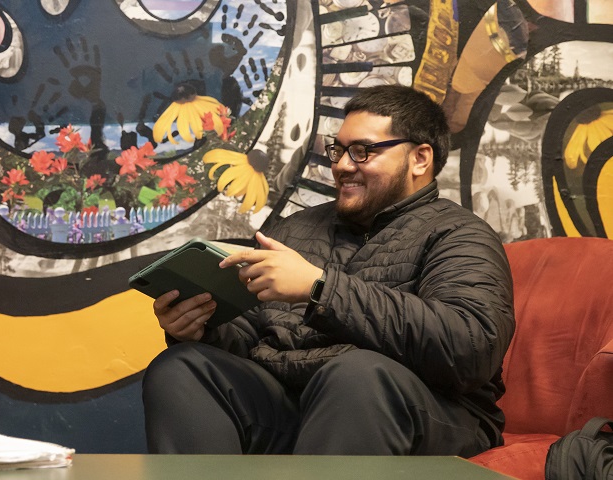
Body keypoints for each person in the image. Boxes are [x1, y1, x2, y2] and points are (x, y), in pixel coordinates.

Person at [142, 85, 515, 456]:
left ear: (420, 158)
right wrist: (201, 328)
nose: (341, 165)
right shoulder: (294, 230)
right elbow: (250, 338)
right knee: (184, 366)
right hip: (300, 405)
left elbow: (470, 347)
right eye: (338, 150)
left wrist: (320, 287)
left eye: (362, 151)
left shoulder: (460, 235)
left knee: (357, 375)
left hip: (427, 412)